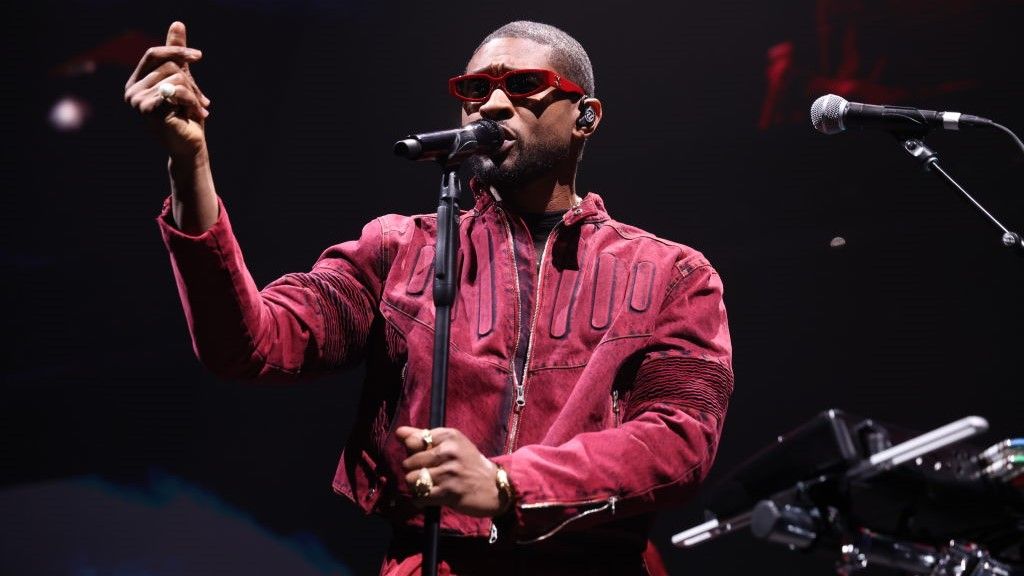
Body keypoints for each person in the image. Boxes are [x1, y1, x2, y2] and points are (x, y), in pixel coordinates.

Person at [125, 19, 734, 576]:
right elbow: (250, 344)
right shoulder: (398, 250)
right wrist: (190, 162)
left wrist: (505, 483)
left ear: (587, 116)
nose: (493, 103)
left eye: (525, 84)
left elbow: (680, 440)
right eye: (475, 88)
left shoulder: (671, 273)